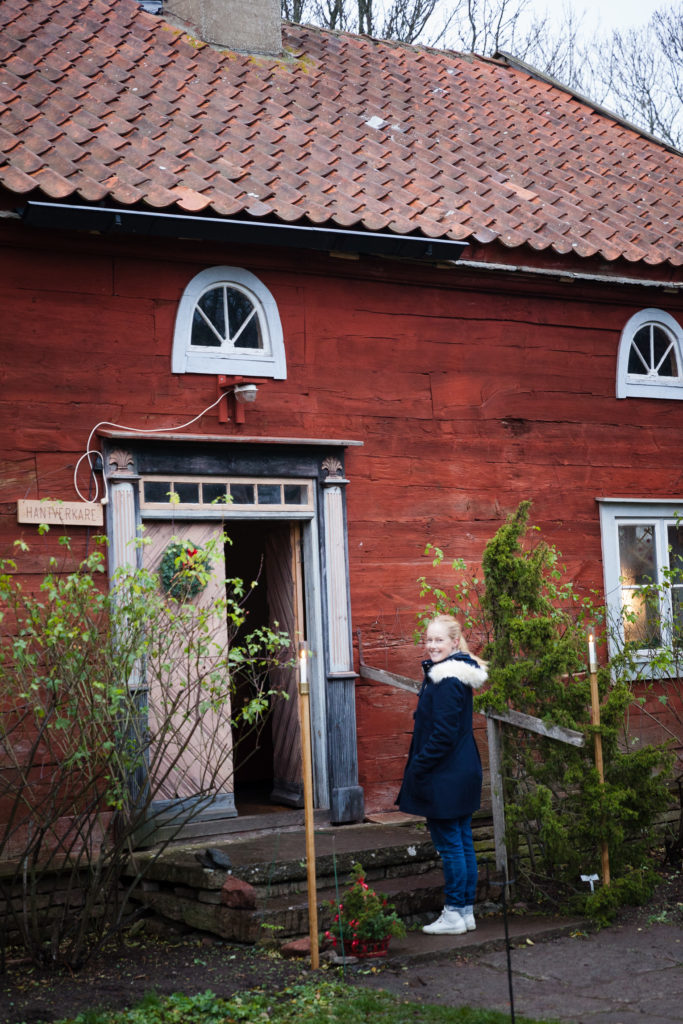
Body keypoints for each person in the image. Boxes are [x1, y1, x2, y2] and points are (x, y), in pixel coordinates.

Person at [398, 614, 487, 935]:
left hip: (446, 774)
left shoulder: (447, 680)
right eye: (429, 639)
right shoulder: (452, 675)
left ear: (454, 642)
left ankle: (453, 914)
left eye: (439, 640)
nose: (432, 645)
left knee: (451, 846)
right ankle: (464, 912)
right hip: (460, 771)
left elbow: (443, 735)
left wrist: (419, 767)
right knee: (462, 843)